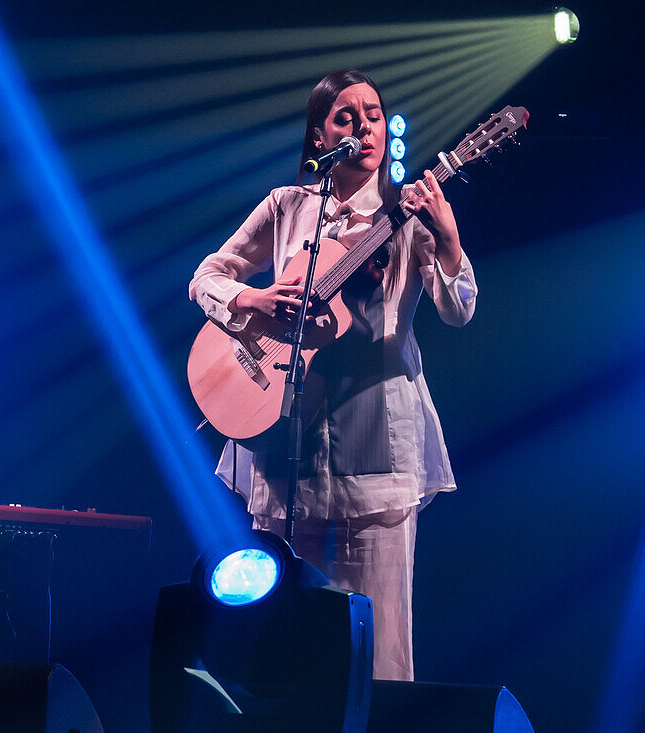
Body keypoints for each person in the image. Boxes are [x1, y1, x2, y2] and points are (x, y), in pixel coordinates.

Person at [189, 69, 477, 681]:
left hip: (376, 452)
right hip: (285, 447)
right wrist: (255, 302)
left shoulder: (410, 215)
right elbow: (207, 277)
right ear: (320, 135)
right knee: (279, 643)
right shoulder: (288, 207)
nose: (364, 126)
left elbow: (459, 309)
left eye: (373, 114)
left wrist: (448, 239)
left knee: (376, 650)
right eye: (346, 116)